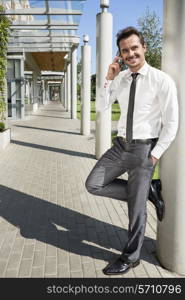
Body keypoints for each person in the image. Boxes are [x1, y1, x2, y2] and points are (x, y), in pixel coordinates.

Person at [85, 26, 179, 276]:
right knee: (93, 184)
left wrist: (155, 154)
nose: (130, 54)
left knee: (135, 211)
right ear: (120, 55)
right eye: (125, 51)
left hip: (143, 150)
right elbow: (103, 107)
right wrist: (108, 76)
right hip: (120, 146)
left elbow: (172, 123)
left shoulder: (161, 80)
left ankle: (131, 257)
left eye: (134, 48)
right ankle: (147, 191)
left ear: (144, 47)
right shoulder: (121, 79)